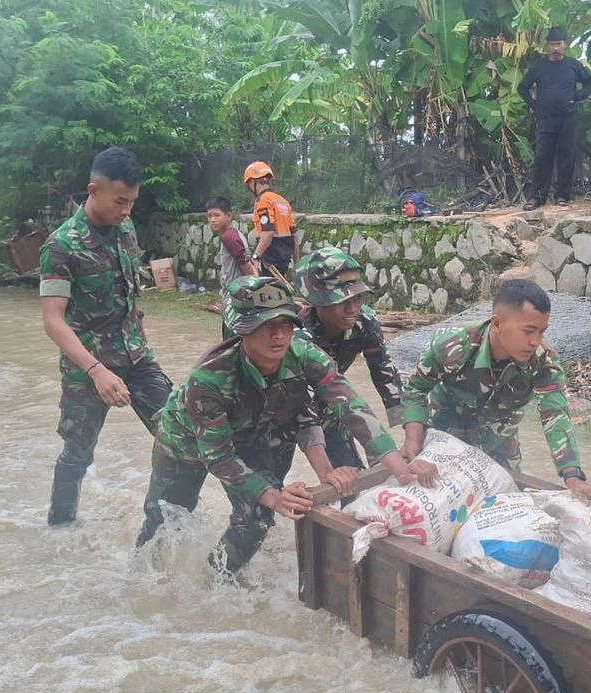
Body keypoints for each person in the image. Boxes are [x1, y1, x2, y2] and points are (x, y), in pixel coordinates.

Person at [135, 275, 432, 577]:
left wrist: (399, 467)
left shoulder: (305, 356)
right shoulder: (210, 378)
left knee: (257, 518)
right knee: (165, 517)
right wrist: (275, 495)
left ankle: (214, 581)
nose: (277, 335)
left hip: (251, 436)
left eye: (285, 324)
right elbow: (218, 457)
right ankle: (142, 580)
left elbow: (349, 405)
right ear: (242, 329)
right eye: (265, 326)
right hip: (184, 444)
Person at [39, 146, 173, 526]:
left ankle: (164, 521)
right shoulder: (61, 246)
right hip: (88, 367)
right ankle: (60, 527)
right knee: (77, 454)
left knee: (178, 434)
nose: (127, 210)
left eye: (132, 201)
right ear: (92, 190)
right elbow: (53, 321)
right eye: (120, 201)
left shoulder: (125, 228)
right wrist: (97, 370)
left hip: (137, 357)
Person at [400, 278, 591, 507]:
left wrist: (573, 475)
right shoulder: (452, 345)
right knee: (435, 504)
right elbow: (415, 389)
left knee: (505, 510)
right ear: (497, 323)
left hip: (498, 447)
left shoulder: (543, 360)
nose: (535, 341)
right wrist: (413, 440)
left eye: (541, 331)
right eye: (528, 331)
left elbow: (555, 414)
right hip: (444, 440)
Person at [295, 247, 403, 469]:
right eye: (340, 301)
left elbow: (385, 375)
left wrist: (411, 433)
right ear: (317, 301)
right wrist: (326, 471)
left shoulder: (364, 322)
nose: (352, 308)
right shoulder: (297, 336)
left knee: (354, 471)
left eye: (358, 297)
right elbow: (300, 408)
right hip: (283, 405)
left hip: (331, 398)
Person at [518, 26, 591, 211]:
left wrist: (577, 96)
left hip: (568, 117)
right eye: (552, 44)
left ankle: (562, 196)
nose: (555, 48)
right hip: (545, 118)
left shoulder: (573, 65)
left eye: (559, 44)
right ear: (547, 46)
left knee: (566, 157)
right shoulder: (540, 66)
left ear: (565, 45)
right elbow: (522, 87)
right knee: (542, 157)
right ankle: (536, 197)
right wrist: (535, 105)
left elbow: (589, 82)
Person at [206, 195, 258, 339]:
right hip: (236, 295)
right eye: (209, 216)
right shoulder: (232, 234)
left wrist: (255, 286)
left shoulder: (229, 237)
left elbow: (246, 265)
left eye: (217, 215)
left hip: (237, 296)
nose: (212, 220)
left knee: (232, 339)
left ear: (228, 216)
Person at [242, 161, 299, 282]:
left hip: (270, 258)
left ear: (253, 181)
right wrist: (297, 264)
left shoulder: (263, 201)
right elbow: (294, 235)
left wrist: (256, 257)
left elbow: (268, 232)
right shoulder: (283, 201)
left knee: (269, 294)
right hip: (283, 259)